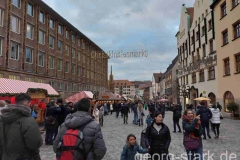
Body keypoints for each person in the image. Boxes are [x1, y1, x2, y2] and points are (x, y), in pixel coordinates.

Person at [0, 93, 43, 160]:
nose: (30, 105)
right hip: (25, 156)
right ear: (26, 103)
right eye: (30, 103)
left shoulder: (2, 119)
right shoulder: (28, 120)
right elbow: (34, 143)